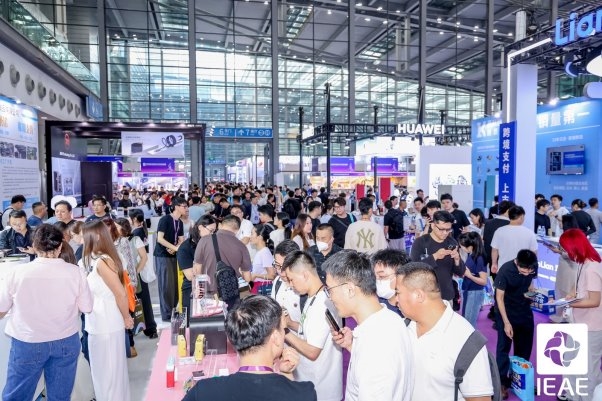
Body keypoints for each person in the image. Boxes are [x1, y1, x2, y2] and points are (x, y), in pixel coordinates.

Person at [0, 224, 93, 401]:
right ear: (60, 246)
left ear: (34, 247)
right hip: (66, 340)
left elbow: (1, 309)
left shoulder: (17, 272)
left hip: (28, 341)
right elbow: (87, 307)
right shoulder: (76, 272)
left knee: (17, 396)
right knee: (60, 397)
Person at [182, 295, 317, 401]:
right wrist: (287, 377)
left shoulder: (204, 391)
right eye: (284, 329)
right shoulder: (305, 394)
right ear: (275, 337)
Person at [394, 262, 493, 401]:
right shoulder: (403, 327)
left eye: (398, 293)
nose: (395, 300)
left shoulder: (466, 341)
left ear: (418, 295)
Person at [324, 250, 413, 401]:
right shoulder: (390, 319)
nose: (330, 297)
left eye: (330, 290)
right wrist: (352, 346)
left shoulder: (374, 345)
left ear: (350, 289)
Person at [80, 220, 133, 401]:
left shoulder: (103, 261)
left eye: (84, 235)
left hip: (108, 323)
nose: (81, 238)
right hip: (95, 323)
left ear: (95, 236)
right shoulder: (91, 259)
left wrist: (126, 317)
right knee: (102, 373)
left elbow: (120, 293)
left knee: (111, 374)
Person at [282, 251, 343, 401]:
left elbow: (312, 351)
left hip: (321, 388)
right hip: (312, 379)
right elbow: (310, 330)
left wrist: (284, 330)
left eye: (291, 279)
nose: (290, 285)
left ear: (305, 275)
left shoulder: (322, 304)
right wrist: (289, 323)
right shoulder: (314, 296)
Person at [558, 229, 602, 400]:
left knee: (588, 370)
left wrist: (569, 303)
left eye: (564, 249)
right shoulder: (583, 263)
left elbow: (594, 301)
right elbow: (578, 287)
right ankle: (572, 395)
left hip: (592, 326)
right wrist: (571, 295)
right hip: (578, 322)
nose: (564, 253)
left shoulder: (592, 267)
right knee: (570, 360)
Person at [494, 249, 538, 399]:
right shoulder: (505, 270)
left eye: (529, 271)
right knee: (503, 348)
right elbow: (499, 298)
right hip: (506, 311)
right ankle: (501, 382)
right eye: (523, 271)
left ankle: (519, 378)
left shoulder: (532, 267)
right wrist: (506, 323)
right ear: (517, 263)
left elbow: (530, 285)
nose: (527, 274)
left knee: (524, 348)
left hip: (524, 310)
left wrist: (532, 293)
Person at [409, 210, 464, 308]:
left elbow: (460, 272)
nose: (445, 233)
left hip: (446, 295)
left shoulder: (452, 243)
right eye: (441, 229)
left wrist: (457, 259)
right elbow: (413, 270)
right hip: (425, 296)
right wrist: (435, 257)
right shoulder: (420, 242)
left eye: (448, 229)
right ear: (433, 225)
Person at [193, 214, 252, 295]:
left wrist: (200, 291)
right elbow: (247, 276)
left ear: (220, 225)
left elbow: (197, 269)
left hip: (210, 292)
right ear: (238, 230)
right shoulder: (241, 246)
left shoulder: (204, 240)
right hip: (232, 292)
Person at [177, 215, 217, 320]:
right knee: (192, 323)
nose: (212, 234)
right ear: (200, 227)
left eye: (214, 231)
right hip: (192, 289)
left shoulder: (212, 244)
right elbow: (190, 276)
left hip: (212, 288)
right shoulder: (185, 248)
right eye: (211, 230)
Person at [153, 196, 186, 321]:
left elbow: (181, 239)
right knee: (166, 285)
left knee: (175, 284)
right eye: (184, 206)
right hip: (162, 255)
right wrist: (175, 248)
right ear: (176, 207)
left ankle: (173, 310)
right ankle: (166, 314)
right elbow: (160, 239)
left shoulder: (180, 222)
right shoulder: (165, 219)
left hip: (174, 255)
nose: (186, 209)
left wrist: (176, 248)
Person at [128, 209, 158, 338]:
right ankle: (147, 328)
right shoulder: (142, 230)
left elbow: (142, 256)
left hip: (138, 272)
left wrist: (135, 272)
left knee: (141, 300)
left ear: (134, 219)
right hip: (139, 271)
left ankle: (147, 328)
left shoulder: (135, 235)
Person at [490, 206, 538, 274]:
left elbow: (494, 250)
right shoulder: (529, 233)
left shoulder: (499, 231)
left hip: (503, 269)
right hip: (523, 270)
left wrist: (494, 263)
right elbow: (534, 253)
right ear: (521, 217)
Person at [458, 232, 488, 328]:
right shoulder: (471, 255)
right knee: (466, 321)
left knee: (469, 323)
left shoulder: (479, 258)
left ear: (470, 246)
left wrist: (469, 275)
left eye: (462, 245)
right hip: (468, 290)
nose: (461, 247)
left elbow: (484, 281)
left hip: (474, 292)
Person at [271, 240, 302, 325]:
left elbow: (312, 329)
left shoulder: (304, 288)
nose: (281, 271)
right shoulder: (278, 281)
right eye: (277, 265)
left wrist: (289, 323)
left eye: (285, 266)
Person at [371, 248, 408, 316]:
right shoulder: (375, 305)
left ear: (401, 276)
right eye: (374, 276)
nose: (377, 281)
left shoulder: (412, 309)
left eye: (381, 276)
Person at [250, 224, 276, 295]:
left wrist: (256, 275)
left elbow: (272, 275)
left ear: (260, 237)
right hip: (257, 287)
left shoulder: (264, 252)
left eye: (252, 234)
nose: (250, 237)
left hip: (262, 288)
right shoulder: (260, 252)